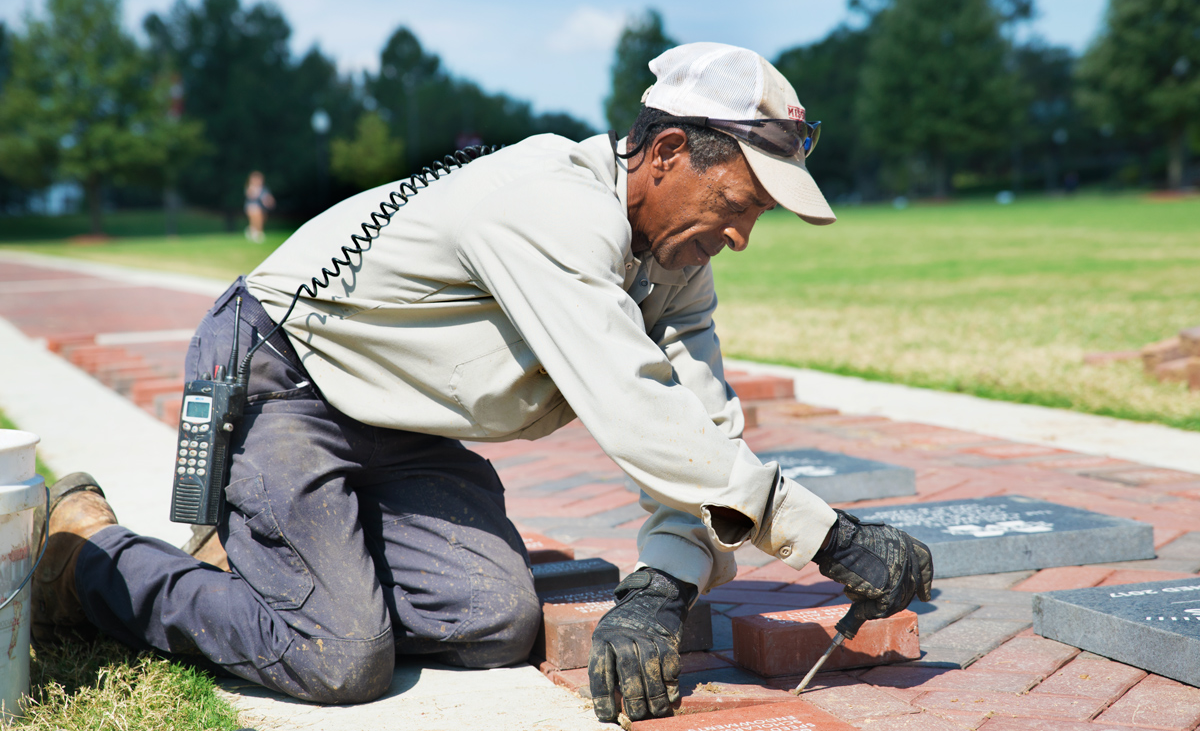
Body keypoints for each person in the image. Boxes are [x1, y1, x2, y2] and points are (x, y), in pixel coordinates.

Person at [32, 43, 933, 720]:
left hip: (391, 417)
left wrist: (661, 583)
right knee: (339, 656)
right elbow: (637, 414)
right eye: (738, 205)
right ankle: (92, 556)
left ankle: (274, 553)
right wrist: (829, 536)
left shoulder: (676, 266)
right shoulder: (552, 208)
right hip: (279, 374)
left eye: (758, 219)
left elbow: (703, 441)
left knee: (497, 620)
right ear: (662, 152)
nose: (741, 237)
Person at [243, 170, 275, 243]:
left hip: (262, 207)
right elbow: (251, 195)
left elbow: (268, 198)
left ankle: (252, 230)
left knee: (262, 218)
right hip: (252, 207)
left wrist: (269, 201)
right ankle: (257, 233)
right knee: (256, 213)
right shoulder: (250, 188)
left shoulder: (264, 189)